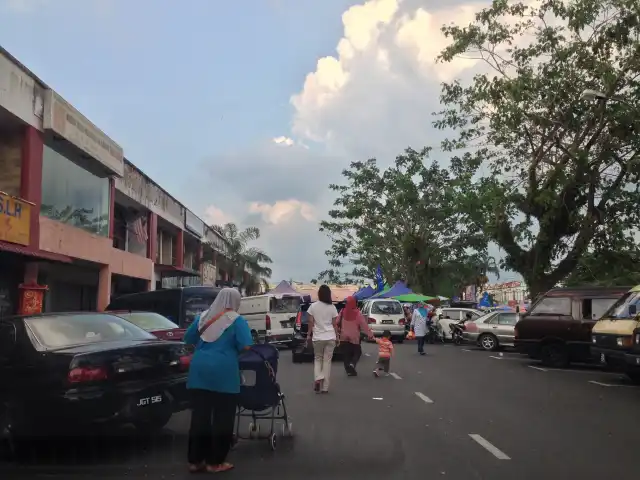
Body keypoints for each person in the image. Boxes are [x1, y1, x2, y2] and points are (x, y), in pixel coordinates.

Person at [183, 288, 253, 474]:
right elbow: (246, 345)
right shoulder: (236, 320)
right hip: (224, 371)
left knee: (200, 416)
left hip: (199, 370)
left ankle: (195, 461)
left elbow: (188, 338)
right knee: (223, 417)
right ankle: (215, 462)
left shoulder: (203, 317)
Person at [306, 284, 339, 393]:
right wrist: (337, 337)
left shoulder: (313, 307)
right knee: (327, 362)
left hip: (318, 337)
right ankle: (325, 388)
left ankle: (318, 378)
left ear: (319, 294)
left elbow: (310, 322)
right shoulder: (332, 307)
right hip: (330, 337)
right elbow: (335, 324)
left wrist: (308, 335)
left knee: (318, 359)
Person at [338, 295, 374, 376]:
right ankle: (352, 365)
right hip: (354, 337)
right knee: (357, 352)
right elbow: (364, 325)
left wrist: (337, 332)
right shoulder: (358, 313)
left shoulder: (342, 311)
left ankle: (349, 371)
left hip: (343, 337)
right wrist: (370, 335)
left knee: (346, 354)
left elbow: (337, 322)